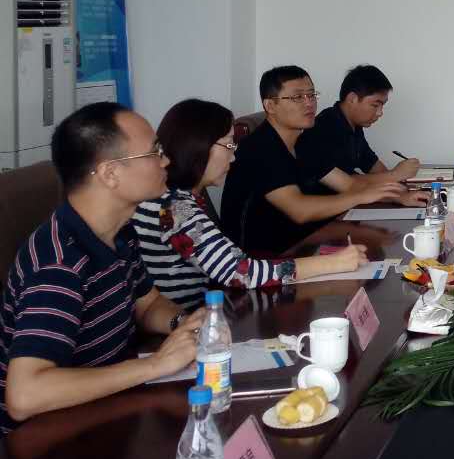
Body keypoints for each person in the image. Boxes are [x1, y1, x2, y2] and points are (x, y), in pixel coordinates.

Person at [0, 103, 207, 432]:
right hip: (50, 436)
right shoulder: (59, 264)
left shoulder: (119, 231)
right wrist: (156, 364)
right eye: (154, 152)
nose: (165, 161)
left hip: (108, 406)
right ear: (110, 174)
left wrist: (186, 325)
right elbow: (25, 395)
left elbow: (147, 304)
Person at [133, 99, 370, 310]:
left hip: (207, 312)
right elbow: (240, 272)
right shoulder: (174, 208)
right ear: (198, 147)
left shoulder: (176, 196)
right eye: (228, 145)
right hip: (186, 325)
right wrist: (334, 263)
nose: (233, 156)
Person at [220, 66, 405, 254]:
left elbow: (347, 184)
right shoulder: (261, 148)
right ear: (270, 106)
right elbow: (300, 210)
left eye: (311, 95)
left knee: (382, 249)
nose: (309, 103)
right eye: (297, 97)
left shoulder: (304, 143)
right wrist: (360, 197)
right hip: (256, 260)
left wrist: (395, 197)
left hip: (300, 240)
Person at [297, 65, 420, 194]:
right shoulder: (326, 127)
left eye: (382, 106)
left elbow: (372, 165)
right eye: (375, 105)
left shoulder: (354, 125)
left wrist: (400, 179)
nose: (380, 113)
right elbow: (347, 182)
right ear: (352, 99)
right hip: (325, 203)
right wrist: (395, 175)